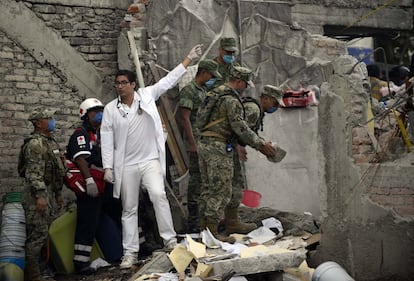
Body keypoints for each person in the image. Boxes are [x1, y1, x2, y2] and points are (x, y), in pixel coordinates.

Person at [100, 44, 203, 269]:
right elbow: (106, 138)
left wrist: (188, 58)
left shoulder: (146, 95)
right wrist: (108, 167)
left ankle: (169, 240)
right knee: (129, 207)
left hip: (149, 161)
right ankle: (130, 253)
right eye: (117, 83)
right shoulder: (110, 109)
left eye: (123, 83)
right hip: (126, 164)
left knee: (158, 195)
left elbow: (169, 81)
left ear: (133, 84)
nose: (120, 87)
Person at [197, 66, 276, 243]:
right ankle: (211, 234)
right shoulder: (230, 100)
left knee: (209, 188)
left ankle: (217, 227)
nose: (245, 88)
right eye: (244, 84)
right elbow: (240, 128)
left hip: (205, 144)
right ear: (239, 81)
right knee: (220, 190)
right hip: (218, 147)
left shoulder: (215, 93)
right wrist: (260, 145)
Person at [66, 98, 122, 274]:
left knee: (123, 211)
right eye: (94, 112)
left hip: (105, 183)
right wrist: (89, 181)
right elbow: (81, 158)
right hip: (91, 185)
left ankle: (135, 247)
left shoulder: (101, 132)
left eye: (100, 110)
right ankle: (81, 263)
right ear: (85, 115)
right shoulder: (81, 133)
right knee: (87, 223)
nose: (99, 114)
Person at [226, 85, 285, 235]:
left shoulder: (256, 109)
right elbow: (238, 128)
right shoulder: (254, 109)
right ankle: (229, 224)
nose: (275, 107)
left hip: (230, 146)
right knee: (233, 185)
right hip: (226, 147)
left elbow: (246, 133)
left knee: (233, 185)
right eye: (275, 103)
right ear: (265, 99)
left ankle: (231, 221)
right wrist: (239, 145)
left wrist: (259, 145)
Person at [21, 107, 65, 281]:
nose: (53, 120)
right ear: (39, 124)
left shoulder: (50, 142)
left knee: (44, 233)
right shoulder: (35, 144)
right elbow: (33, 173)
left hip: (47, 193)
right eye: (49, 118)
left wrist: (58, 193)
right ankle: (34, 275)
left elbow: (55, 171)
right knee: (37, 235)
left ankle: (42, 270)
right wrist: (40, 196)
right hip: (36, 196)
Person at [178, 59, 222, 233]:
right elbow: (185, 118)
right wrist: (192, 143)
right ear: (203, 73)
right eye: (211, 75)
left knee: (205, 180)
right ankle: (193, 220)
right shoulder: (189, 90)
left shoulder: (204, 90)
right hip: (196, 140)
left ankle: (204, 218)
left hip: (206, 140)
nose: (212, 79)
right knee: (196, 180)